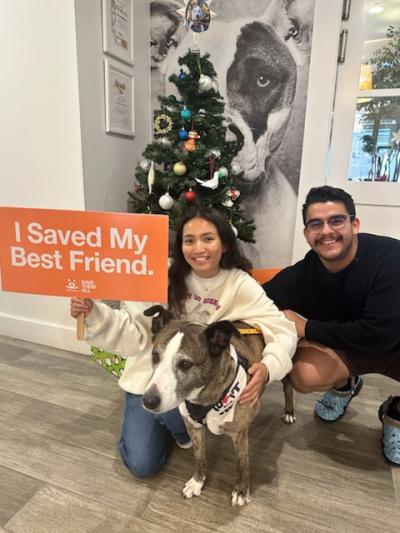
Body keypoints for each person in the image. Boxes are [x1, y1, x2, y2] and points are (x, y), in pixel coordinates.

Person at [71, 208, 297, 477]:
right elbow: (134, 333)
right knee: (142, 464)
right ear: (180, 246)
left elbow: (281, 328)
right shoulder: (160, 275)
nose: (198, 248)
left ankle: (176, 422)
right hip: (151, 374)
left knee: (188, 414)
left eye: (208, 238)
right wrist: (94, 314)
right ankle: (172, 425)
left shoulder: (240, 284)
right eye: (189, 240)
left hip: (200, 381)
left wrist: (270, 366)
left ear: (225, 244)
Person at [264, 185, 400, 466]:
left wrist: (306, 328)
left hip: (394, 344)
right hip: (355, 346)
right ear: (306, 234)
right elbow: (260, 295)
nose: (326, 231)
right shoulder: (309, 270)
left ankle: (395, 411)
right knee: (303, 374)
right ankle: (344, 384)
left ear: (355, 224)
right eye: (316, 223)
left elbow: (380, 337)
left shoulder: (391, 259)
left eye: (336, 220)